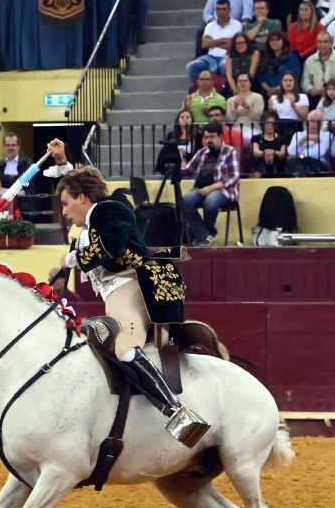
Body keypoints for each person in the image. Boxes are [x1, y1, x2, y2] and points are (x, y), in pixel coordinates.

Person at [56, 167, 208, 447]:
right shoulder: (92, 222)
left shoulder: (109, 209)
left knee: (125, 348)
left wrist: (72, 259)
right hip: (117, 292)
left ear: (81, 197)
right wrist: (65, 164)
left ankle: (179, 415)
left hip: (134, 285)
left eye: (66, 203)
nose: (63, 212)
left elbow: (111, 246)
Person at [180, 122, 241, 245]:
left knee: (210, 202)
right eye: (206, 137)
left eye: (212, 137)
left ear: (220, 137)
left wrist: (212, 187)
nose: (209, 140)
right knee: (185, 201)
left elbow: (234, 176)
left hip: (223, 190)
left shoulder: (230, 152)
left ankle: (204, 234)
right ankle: (206, 234)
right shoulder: (202, 152)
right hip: (200, 189)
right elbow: (188, 169)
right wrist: (175, 169)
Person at [186, 0, 243, 84]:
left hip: (227, 56)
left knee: (224, 66)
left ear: (229, 10)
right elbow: (204, 44)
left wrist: (212, 42)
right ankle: (201, 89)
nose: (220, 12)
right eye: (218, 9)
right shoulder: (210, 25)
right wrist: (223, 40)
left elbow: (232, 45)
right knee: (191, 67)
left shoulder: (237, 24)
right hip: (210, 57)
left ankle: (223, 91)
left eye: (224, 9)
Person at [302, 31, 335, 105]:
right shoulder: (309, 60)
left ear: (331, 43)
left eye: (325, 42)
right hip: (315, 97)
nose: (323, 44)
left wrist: (331, 90)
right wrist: (311, 89)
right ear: (316, 43)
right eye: (320, 42)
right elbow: (305, 80)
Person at [286, 109, 333, 173]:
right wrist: (304, 139)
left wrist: (301, 155)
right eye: (312, 121)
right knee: (291, 160)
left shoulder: (327, 135)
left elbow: (318, 153)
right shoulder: (298, 134)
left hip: (318, 164)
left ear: (321, 124)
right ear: (307, 122)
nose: (315, 124)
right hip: (300, 161)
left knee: (298, 161)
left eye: (318, 122)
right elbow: (290, 151)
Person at [257, 29, 302, 96]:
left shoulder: (292, 56)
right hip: (268, 93)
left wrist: (278, 89)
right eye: (271, 40)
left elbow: (295, 75)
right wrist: (268, 89)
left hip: (288, 92)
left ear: (284, 40)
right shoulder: (265, 58)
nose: (274, 42)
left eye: (277, 39)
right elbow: (260, 77)